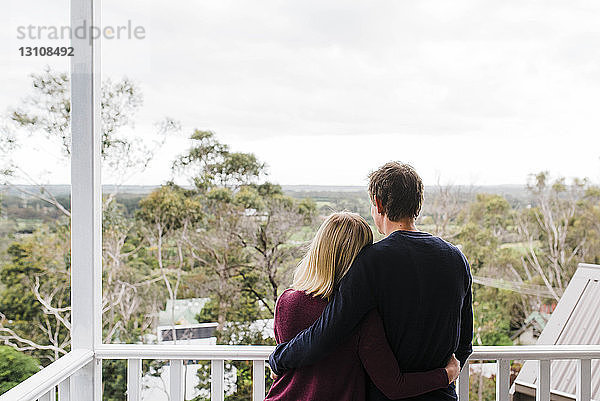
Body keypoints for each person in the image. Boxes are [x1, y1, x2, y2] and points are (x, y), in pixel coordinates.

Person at [269, 162, 473, 401]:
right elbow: (464, 344)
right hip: (442, 395)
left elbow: (327, 332)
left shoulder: (372, 261)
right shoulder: (456, 258)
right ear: (418, 204)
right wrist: (447, 374)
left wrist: (278, 358)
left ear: (378, 203)